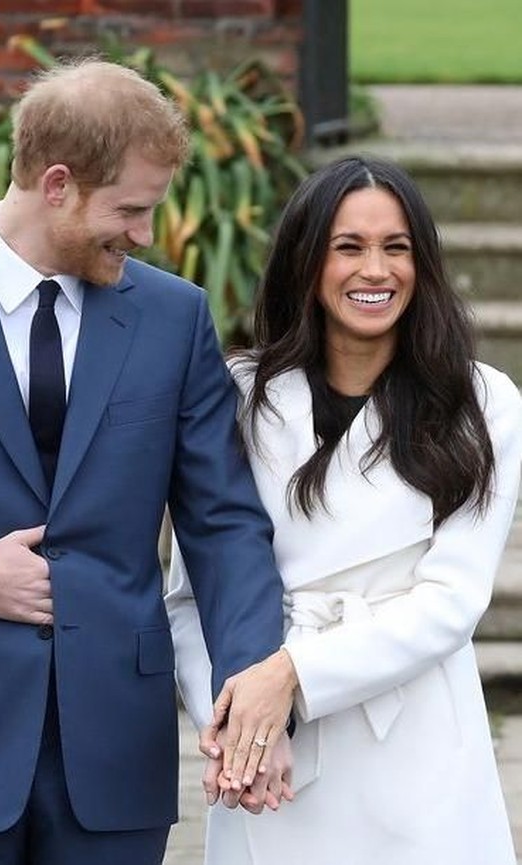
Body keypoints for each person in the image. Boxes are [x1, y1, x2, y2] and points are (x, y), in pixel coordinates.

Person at [0, 58, 296, 865]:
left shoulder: (174, 318)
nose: (144, 235)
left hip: (114, 751)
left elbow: (225, 523)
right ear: (57, 184)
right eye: (130, 210)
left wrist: (250, 693)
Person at [166, 155, 522, 864]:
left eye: (397, 248)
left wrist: (292, 674)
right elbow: (190, 594)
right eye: (349, 247)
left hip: (415, 742)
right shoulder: (238, 396)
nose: (375, 271)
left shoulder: (483, 403)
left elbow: (451, 601)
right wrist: (240, 727)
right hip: (273, 760)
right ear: (306, 259)